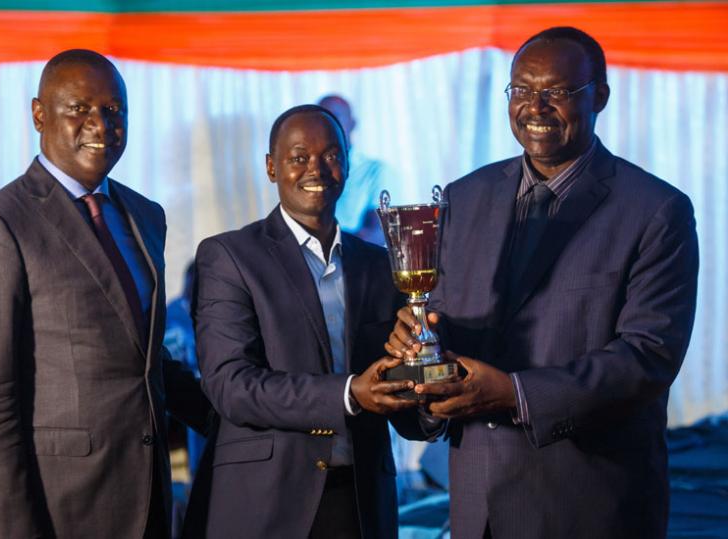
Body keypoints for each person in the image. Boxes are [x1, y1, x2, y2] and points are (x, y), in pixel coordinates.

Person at [387, 27, 698, 538]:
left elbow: (647, 357)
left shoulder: (655, 210)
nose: (536, 106)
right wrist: (417, 351)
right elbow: (443, 325)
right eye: (522, 90)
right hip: (475, 507)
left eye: (557, 91)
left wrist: (514, 395)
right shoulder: (463, 198)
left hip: (587, 507)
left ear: (599, 95)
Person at [0, 49, 210, 538]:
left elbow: (144, 361)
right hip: (50, 510)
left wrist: (247, 419)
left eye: (113, 110)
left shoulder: (144, 216)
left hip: (145, 502)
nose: (100, 124)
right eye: (80, 109)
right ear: (39, 114)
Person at [187, 104, 430, 538]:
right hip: (266, 501)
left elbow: (394, 383)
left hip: (362, 500)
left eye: (331, 155)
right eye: (299, 156)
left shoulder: (380, 265)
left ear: (348, 163)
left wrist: (430, 386)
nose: (316, 168)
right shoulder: (230, 256)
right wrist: (348, 394)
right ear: (271, 166)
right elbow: (230, 385)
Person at [318, 95, 396, 233]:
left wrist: (333, 250)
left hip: (353, 253)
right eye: (321, 120)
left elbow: (378, 232)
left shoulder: (375, 171)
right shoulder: (307, 171)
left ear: (353, 123)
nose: (327, 125)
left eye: (335, 117)